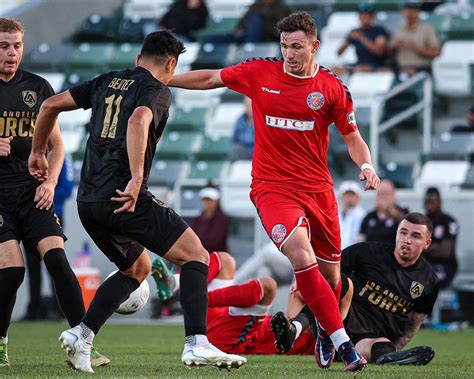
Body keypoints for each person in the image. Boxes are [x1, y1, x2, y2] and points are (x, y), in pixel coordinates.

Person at [169, 11, 381, 372]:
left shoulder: (330, 88)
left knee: (331, 280)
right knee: (300, 257)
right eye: (284, 46)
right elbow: (210, 78)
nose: (289, 54)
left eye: (297, 47)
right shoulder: (259, 72)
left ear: (314, 46)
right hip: (272, 189)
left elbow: (352, 136)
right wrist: (165, 78)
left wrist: (366, 165)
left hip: (318, 192)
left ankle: (322, 333)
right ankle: (343, 343)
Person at [28, 31, 246, 373]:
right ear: (171, 64)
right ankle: (197, 343)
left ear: (138, 58)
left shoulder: (105, 81)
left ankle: (81, 336)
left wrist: (38, 151)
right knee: (196, 256)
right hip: (124, 197)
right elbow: (138, 120)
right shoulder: (156, 89)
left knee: (137, 268)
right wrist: (135, 178)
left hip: (88, 201)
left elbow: (49, 105)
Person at [0, 17, 108, 368]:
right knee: (13, 272)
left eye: (16, 45)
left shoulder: (39, 87)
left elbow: (57, 148)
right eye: (3, 46)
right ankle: (0, 343)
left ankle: (83, 343)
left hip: (33, 193)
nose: (11, 53)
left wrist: (49, 183)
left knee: (58, 262)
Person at [273, 213, 440, 366]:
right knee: (340, 282)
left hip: (367, 340)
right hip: (339, 319)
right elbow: (328, 271)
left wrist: (397, 347)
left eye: (415, 236)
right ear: (396, 233)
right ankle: (296, 329)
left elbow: (415, 323)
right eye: (403, 232)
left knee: (383, 346)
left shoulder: (429, 281)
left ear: (427, 243)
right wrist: (306, 278)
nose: (407, 240)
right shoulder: (368, 252)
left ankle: (389, 357)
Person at [152, 252, 315, 355]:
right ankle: (175, 283)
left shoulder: (316, 344)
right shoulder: (309, 323)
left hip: (237, 337)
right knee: (226, 260)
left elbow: (298, 297)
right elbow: (298, 295)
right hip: (233, 322)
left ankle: (195, 298)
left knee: (268, 287)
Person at [22, 154, 75, 321]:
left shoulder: (62, 156)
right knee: (32, 265)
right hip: (28, 216)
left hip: (53, 214)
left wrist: (44, 198)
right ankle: (34, 308)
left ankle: (58, 309)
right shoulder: (27, 153)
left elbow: (67, 187)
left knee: (55, 262)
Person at [389, 1, 441, 78]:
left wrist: (416, 48)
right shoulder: (398, 30)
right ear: (403, 12)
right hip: (401, 69)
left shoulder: (427, 28)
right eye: (407, 10)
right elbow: (389, 53)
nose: (409, 13)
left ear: (418, 12)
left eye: (413, 10)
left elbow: (436, 53)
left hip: (422, 70)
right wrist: (394, 47)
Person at [205, 0, 290, 44]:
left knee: (257, 20)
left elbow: (280, 30)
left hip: (266, 38)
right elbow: (242, 22)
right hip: (245, 35)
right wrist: (239, 29)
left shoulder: (282, 8)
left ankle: (249, 53)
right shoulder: (255, 6)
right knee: (211, 39)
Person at [337, 3, 390, 73]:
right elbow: (339, 53)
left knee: (363, 69)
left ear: (371, 16)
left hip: (376, 65)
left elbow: (379, 52)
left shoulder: (379, 31)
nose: (364, 17)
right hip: (359, 65)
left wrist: (361, 37)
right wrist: (348, 40)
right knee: (333, 70)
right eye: (362, 15)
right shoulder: (354, 31)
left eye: (366, 15)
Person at [423, 187, 459, 289]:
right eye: (427, 201)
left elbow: (445, 251)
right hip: (425, 264)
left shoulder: (449, 222)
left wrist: (423, 247)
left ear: (439, 202)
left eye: (433, 201)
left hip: (445, 267)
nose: (430, 205)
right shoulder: (421, 222)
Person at [359, 179, 408, 244]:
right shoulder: (369, 216)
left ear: (393, 195)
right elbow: (361, 239)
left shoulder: (403, 212)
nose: (383, 196)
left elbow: (406, 228)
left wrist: (390, 211)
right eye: (380, 193)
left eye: (386, 193)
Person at [190, 183, 229, 253]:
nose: (207, 203)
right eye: (205, 200)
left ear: (216, 201)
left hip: (217, 256)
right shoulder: (198, 219)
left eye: (210, 200)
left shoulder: (221, 219)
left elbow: (215, 241)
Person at [337, 181, 366, 249]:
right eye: (346, 195)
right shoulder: (335, 214)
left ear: (358, 197)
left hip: (353, 254)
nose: (349, 198)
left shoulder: (363, 215)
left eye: (352, 195)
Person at [228, 96, 254, 162]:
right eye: (247, 105)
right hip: (243, 153)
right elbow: (234, 140)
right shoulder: (240, 120)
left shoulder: (263, 121)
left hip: (259, 153)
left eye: (251, 105)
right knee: (235, 150)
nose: (250, 108)